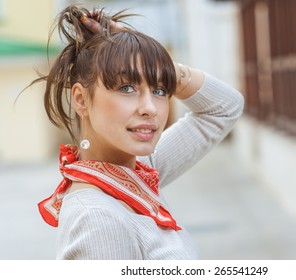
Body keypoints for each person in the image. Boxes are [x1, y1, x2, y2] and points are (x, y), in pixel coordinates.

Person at [32, 5, 244, 260]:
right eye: (127, 88)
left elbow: (225, 108)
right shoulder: (98, 218)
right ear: (80, 99)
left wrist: (151, 62)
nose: (150, 109)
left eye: (160, 90)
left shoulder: (135, 172)